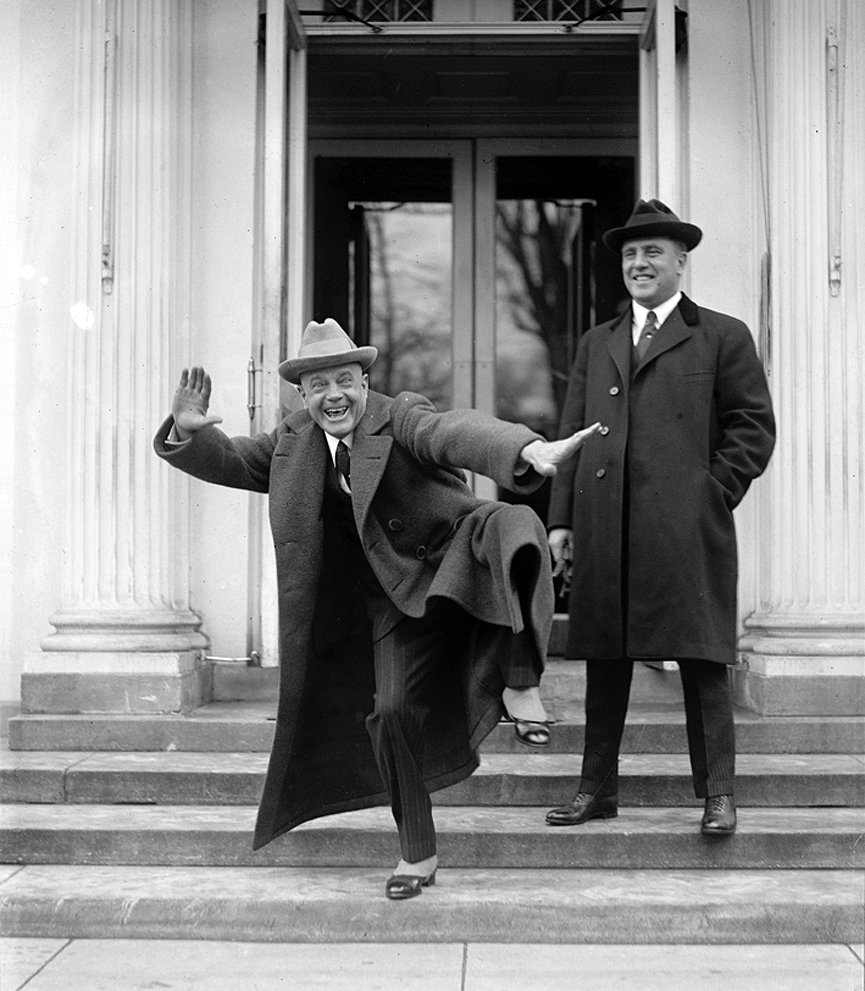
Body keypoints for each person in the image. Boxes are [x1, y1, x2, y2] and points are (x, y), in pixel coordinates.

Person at [155, 318, 599, 898]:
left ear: (364, 381)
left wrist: (524, 448)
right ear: (302, 395)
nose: (333, 395)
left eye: (344, 380)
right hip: (393, 603)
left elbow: (450, 432)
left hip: (451, 566)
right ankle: (418, 851)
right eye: (318, 386)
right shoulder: (293, 441)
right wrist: (190, 435)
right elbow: (236, 460)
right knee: (390, 714)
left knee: (512, 524)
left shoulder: (401, 414)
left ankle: (521, 679)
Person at [545, 199, 775, 836]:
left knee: (703, 660)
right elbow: (569, 434)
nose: (639, 264)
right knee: (605, 660)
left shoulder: (722, 334)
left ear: (680, 261)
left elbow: (752, 427)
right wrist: (562, 520)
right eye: (629, 254)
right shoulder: (598, 341)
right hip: (605, 524)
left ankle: (718, 795)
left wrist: (711, 492)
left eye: (652, 253)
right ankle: (597, 790)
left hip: (685, 527)